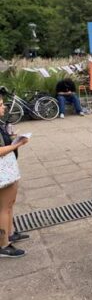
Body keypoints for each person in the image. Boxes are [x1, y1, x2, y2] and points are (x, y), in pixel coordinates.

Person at [0, 92, 29, 258]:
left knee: (9, 204)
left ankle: (10, 233)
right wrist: (18, 144)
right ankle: (3, 244)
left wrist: (11, 138)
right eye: (0, 105)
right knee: (4, 208)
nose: (4, 107)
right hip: (3, 172)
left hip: (8, 170)